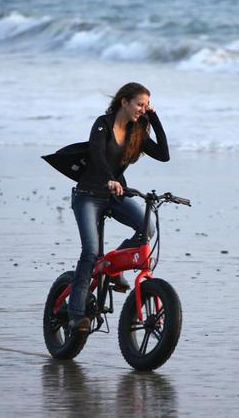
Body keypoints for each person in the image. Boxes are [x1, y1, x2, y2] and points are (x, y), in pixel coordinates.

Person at [68, 82, 170, 333]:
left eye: (146, 106)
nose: (142, 109)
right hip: (88, 195)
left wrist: (154, 119)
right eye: (139, 104)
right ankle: (75, 314)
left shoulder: (137, 132)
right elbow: (98, 155)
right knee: (91, 251)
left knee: (147, 228)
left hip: (115, 194)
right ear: (124, 101)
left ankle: (112, 267)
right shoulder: (103, 123)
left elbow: (164, 154)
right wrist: (109, 179)